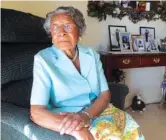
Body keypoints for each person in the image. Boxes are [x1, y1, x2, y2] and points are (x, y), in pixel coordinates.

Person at [30, 6, 145, 140]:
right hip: (67, 115)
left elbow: (104, 94)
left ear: (80, 31)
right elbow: (36, 111)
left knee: (130, 127)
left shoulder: (91, 54)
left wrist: (86, 116)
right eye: (55, 27)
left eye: (67, 26)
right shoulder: (43, 59)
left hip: (97, 110)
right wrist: (77, 129)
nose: (61, 32)